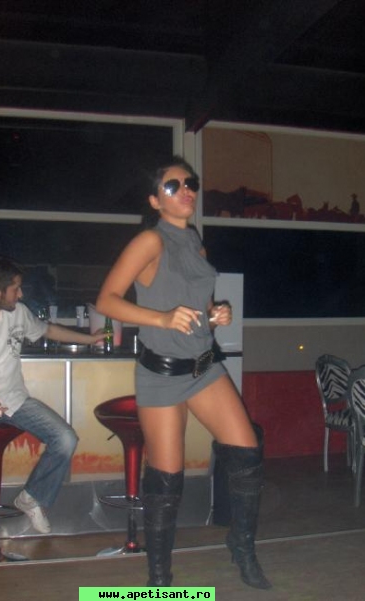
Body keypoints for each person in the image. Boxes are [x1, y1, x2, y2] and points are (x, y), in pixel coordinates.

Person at [96, 156, 271, 589]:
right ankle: (160, 580)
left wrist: (216, 313)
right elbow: (107, 300)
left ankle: (241, 545)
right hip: (162, 374)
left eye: (190, 183)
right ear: (155, 201)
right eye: (173, 186)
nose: (186, 190)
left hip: (204, 366)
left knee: (247, 453)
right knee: (167, 481)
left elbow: (197, 307)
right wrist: (160, 318)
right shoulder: (149, 241)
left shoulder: (194, 241)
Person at [0, 256, 105, 535]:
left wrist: (90, 338)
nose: (21, 294)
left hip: (14, 399)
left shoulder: (17, 313)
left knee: (65, 438)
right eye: (16, 288)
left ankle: (31, 497)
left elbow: (47, 329)